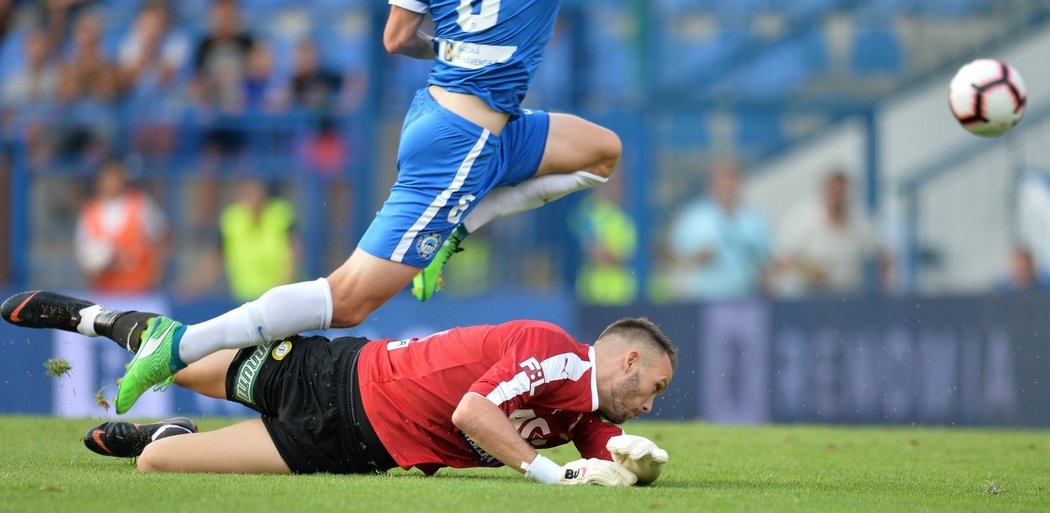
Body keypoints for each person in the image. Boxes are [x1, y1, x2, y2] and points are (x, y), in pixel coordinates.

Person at [102, 0, 622, 415]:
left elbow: (396, 37)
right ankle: (181, 343)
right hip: (464, 142)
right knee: (348, 300)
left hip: (462, 114)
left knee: (602, 152)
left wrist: (461, 48)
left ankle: (455, 228)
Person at [2, 291, 674, 486]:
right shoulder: (551, 350)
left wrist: (636, 459)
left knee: (156, 462)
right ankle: (89, 317)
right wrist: (549, 476)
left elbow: (609, 449)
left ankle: (170, 432)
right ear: (627, 359)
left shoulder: (582, 411)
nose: (651, 404)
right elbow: (474, 411)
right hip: (334, 381)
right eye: (654, 388)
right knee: (178, 359)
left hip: (354, 451)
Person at [666, 160, 772, 301]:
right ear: (712, 186)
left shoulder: (753, 220)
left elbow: (765, 261)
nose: (727, 189)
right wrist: (696, 258)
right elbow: (671, 256)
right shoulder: (694, 218)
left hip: (746, 298)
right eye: (723, 184)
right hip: (704, 300)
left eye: (731, 184)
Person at [776, 171, 892, 296]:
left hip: (848, 301)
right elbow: (783, 260)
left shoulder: (860, 224)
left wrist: (883, 294)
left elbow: (884, 258)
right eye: (834, 191)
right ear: (824, 191)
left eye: (841, 191)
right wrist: (811, 272)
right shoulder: (802, 220)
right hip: (808, 300)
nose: (837, 195)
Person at [74, 157, 169, 294]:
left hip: (139, 293)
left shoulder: (141, 204)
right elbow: (84, 255)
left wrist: (156, 274)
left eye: (115, 176)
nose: (111, 182)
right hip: (104, 296)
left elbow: (162, 237)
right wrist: (98, 264)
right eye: (107, 176)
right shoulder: (90, 212)